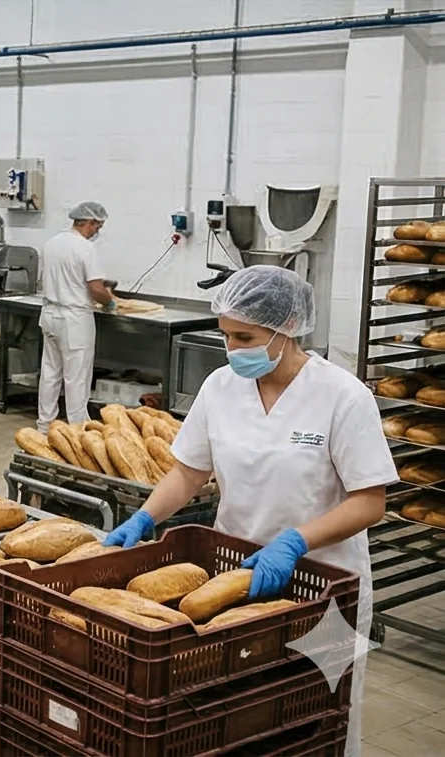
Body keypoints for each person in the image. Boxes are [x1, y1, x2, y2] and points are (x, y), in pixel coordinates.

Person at [103, 266, 391, 757]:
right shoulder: (221, 387)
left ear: (290, 327)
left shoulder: (342, 396)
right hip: (235, 579)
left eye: (246, 336)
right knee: (245, 710)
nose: (234, 349)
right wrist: (144, 517)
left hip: (325, 588)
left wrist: (295, 540)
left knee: (321, 711)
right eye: (226, 336)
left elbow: (370, 501)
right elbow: (189, 472)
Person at [37, 201, 115, 432]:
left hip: (50, 314)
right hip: (74, 319)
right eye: (97, 226)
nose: (97, 231)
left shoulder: (52, 243)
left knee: (50, 373)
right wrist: (110, 303)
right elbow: (96, 288)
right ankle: (78, 428)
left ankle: (44, 426)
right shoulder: (85, 248)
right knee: (76, 378)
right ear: (89, 222)